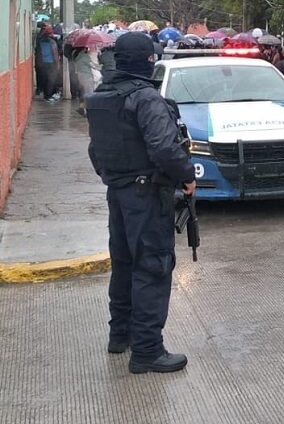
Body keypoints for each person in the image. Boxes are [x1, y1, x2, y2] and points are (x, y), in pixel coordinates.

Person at [84, 32, 196, 375]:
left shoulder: (101, 97)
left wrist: (114, 178)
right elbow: (165, 148)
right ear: (147, 61)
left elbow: (95, 151)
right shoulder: (146, 97)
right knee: (152, 267)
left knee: (124, 263)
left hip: (117, 192)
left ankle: (120, 335)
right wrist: (188, 175)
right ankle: (147, 350)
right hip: (146, 196)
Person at [35, 25, 60, 102]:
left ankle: (46, 95)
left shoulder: (39, 41)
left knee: (46, 80)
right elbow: (55, 54)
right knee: (50, 80)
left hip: (42, 63)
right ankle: (48, 96)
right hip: (50, 63)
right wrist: (57, 64)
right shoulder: (52, 42)